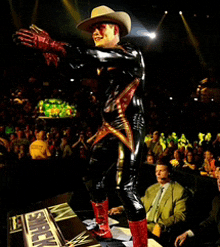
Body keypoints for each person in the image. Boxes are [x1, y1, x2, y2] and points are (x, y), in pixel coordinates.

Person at [13, 5, 148, 246]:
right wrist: (52, 56)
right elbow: (75, 67)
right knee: (92, 177)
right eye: (93, 28)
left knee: (125, 188)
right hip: (108, 125)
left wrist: (55, 45)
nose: (95, 32)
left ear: (116, 29)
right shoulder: (102, 59)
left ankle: (141, 244)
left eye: (101, 27)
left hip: (129, 124)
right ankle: (103, 228)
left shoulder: (130, 53)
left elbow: (91, 56)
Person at [109, 158, 188, 245]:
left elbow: (180, 215)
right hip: (142, 223)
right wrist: (121, 208)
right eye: (156, 171)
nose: (157, 174)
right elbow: (140, 202)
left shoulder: (179, 191)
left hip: (156, 228)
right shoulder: (152, 189)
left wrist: (161, 225)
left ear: (169, 172)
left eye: (161, 171)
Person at [174, 167, 220, 247]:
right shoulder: (217, 200)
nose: (219, 182)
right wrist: (188, 233)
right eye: (218, 178)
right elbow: (210, 221)